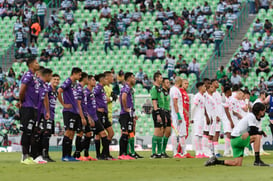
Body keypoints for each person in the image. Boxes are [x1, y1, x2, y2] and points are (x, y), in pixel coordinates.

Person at [205, 102, 269, 167]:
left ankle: (216, 161)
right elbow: (253, 130)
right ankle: (257, 160)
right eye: (263, 110)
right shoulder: (251, 116)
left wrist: (260, 132)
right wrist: (255, 133)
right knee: (257, 137)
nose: (264, 112)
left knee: (237, 163)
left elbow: (255, 130)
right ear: (260, 111)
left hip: (235, 140)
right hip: (237, 139)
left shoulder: (256, 118)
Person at [18, 58, 40, 165]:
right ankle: (24, 156)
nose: (38, 64)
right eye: (36, 63)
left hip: (33, 108)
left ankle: (29, 156)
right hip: (27, 107)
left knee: (31, 132)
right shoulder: (28, 75)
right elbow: (22, 89)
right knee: (27, 132)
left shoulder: (34, 76)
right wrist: (21, 101)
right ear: (31, 65)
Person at [58, 67, 82, 162]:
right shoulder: (68, 81)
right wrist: (63, 104)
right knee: (68, 132)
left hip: (74, 111)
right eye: (79, 74)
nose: (80, 76)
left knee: (72, 133)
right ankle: (64, 156)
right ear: (74, 73)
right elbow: (59, 91)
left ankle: (68, 155)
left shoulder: (74, 84)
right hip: (68, 111)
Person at [72, 72, 94, 161]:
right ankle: (77, 154)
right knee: (80, 133)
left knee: (89, 134)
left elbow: (84, 104)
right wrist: (82, 117)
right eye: (88, 78)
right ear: (85, 79)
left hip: (85, 114)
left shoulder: (82, 89)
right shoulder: (79, 89)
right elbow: (78, 104)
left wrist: (87, 116)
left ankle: (86, 154)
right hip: (79, 114)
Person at [85, 75, 108, 161]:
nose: (95, 81)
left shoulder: (91, 92)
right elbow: (84, 105)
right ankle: (102, 155)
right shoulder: (87, 92)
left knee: (97, 135)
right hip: (92, 117)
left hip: (95, 116)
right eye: (93, 80)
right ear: (88, 81)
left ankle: (100, 155)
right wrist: (88, 117)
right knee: (89, 135)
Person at [94, 73, 115, 160]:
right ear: (102, 79)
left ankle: (104, 153)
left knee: (111, 133)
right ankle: (100, 155)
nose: (107, 81)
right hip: (99, 114)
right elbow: (90, 97)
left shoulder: (102, 89)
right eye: (105, 79)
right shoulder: (97, 88)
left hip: (105, 114)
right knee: (100, 134)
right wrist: (97, 108)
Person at [35, 67, 53, 164]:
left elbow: (45, 98)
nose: (51, 78)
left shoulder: (45, 85)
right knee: (34, 134)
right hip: (34, 111)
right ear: (47, 75)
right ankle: (29, 155)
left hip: (41, 112)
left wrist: (47, 111)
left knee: (40, 133)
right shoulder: (36, 83)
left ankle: (39, 155)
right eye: (51, 76)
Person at [118, 72, 137, 160]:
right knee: (125, 133)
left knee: (129, 133)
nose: (135, 79)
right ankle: (122, 154)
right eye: (133, 77)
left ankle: (125, 153)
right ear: (128, 79)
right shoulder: (126, 87)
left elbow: (121, 98)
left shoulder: (129, 88)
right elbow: (123, 97)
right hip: (125, 114)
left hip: (129, 114)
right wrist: (125, 108)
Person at [42, 74, 60, 162]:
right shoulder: (48, 89)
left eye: (58, 79)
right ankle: (44, 155)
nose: (56, 81)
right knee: (45, 134)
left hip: (52, 115)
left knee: (48, 135)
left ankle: (45, 154)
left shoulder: (56, 91)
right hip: (46, 114)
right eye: (54, 79)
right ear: (51, 80)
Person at [170, 76, 187, 158]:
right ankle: (175, 152)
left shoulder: (173, 89)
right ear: (179, 82)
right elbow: (175, 103)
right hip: (177, 115)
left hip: (178, 114)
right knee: (176, 133)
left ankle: (184, 152)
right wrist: (178, 115)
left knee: (182, 133)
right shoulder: (175, 90)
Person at [150, 72, 164, 158]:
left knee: (161, 131)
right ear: (156, 78)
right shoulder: (154, 88)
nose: (161, 79)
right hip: (157, 111)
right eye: (160, 78)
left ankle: (159, 152)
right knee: (157, 131)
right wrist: (157, 113)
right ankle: (153, 153)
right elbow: (154, 101)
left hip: (161, 110)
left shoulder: (159, 88)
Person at [191, 82, 207, 158]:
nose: (205, 88)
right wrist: (192, 117)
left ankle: (201, 151)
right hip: (197, 118)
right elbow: (194, 107)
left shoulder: (203, 97)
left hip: (201, 118)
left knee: (200, 135)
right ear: (200, 87)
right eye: (204, 86)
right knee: (197, 134)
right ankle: (197, 152)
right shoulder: (197, 96)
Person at [161, 78, 171, 158]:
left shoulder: (167, 92)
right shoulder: (161, 92)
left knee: (168, 132)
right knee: (162, 132)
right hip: (163, 112)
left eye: (169, 82)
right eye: (167, 82)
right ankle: (160, 151)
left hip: (168, 112)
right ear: (163, 84)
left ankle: (163, 151)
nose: (168, 83)